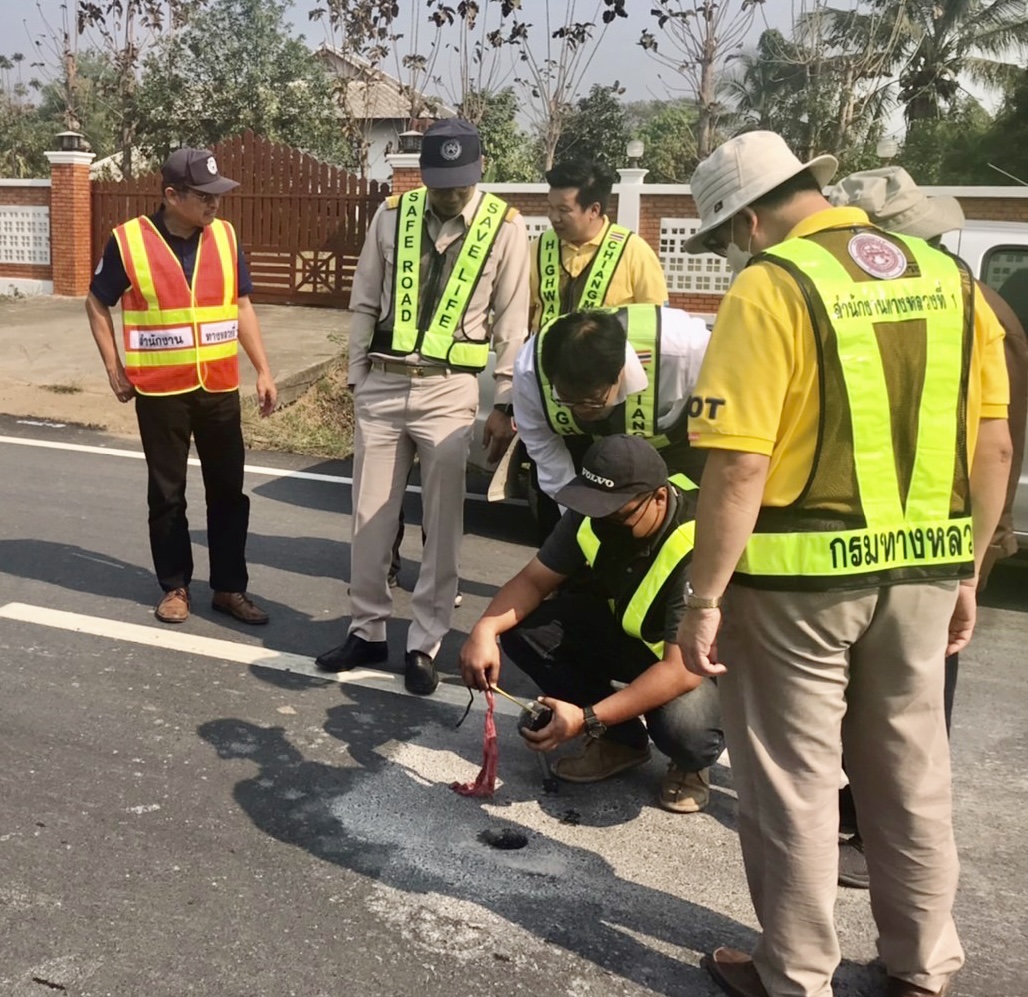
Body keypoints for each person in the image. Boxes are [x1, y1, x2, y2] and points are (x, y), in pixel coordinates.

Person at [674, 131, 1011, 997]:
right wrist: (968, 571)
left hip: (796, 587)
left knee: (794, 782)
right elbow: (995, 447)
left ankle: (793, 973)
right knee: (910, 776)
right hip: (925, 573)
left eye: (723, 237)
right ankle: (922, 969)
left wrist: (703, 599)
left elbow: (738, 466)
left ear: (749, 221)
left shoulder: (771, 284)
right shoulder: (950, 278)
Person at [828, 165, 1028, 888]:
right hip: (930, 534)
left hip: (927, 535)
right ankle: (866, 817)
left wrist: (971, 559)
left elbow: (995, 447)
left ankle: (875, 833)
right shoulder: (966, 302)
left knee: (908, 702)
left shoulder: (959, 311)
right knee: (898, 693)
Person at [315, 119, 530, 696]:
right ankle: (366, 629)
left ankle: (425, 643)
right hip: (383, 384)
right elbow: (364, 299)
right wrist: (357, 376)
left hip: (449, 391)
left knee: (443, 524)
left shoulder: (506, 228)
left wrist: (504, 401)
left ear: (479, 171)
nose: (449, 195)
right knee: (369, 518)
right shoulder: (393, 215)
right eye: (439, 184)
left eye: (459, 184)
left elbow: (512, 325)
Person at [460, 435, 723, 811]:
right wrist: (484, 629)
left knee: (685, 727)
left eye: (619, 515)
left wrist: (586, 719)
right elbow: (533, 581)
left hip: (693, 663)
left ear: (659, 498)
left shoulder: (697, 541)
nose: (605, 522)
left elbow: (680, 671)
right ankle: (622, 742)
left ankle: (690, 765)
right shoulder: (595, 512)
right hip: (632, 637)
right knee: (524, 630)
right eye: (598, 511)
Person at [85, 147, 277, 627]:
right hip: (160, 391)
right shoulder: (129, 241)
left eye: (218, 195)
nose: (215, 204)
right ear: (172, 196)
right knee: (168, 494)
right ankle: (175, 587)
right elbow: (96, 302)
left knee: (229, 492)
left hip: (218, 388)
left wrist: (263, 369)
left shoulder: (226, 237)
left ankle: (229, 588)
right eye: (204, 196)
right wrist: (113, 366)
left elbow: (242, 306)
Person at [513, 305, 710, 524]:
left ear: (619, 372)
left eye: (593, 401)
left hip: (678, 448)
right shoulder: (530, 369)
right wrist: (577, 519)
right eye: (566, 399)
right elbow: (543, 447)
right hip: (589, 449)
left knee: (687, 523)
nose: (580, 410)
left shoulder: (685, 349)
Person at [530, 157, 668, 333]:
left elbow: (656, 323)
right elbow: (523, 316)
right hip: (543, 350)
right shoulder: (537, 247)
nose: (553, 217)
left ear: (594, 210)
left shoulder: (633, 251)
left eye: (563, 210)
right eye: (550, 207)